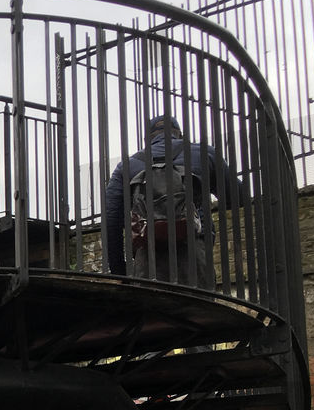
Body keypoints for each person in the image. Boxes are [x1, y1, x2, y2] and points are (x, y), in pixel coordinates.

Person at [103, 114, 247, 288]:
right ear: (179, 134)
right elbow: (238, 196)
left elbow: (111, 219)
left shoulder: (127, 166)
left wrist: (120, 271)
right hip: (195, 251)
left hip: (148, 258)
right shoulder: (203, 153)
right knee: (199, 309)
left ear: (148, 140)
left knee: (151, 312)